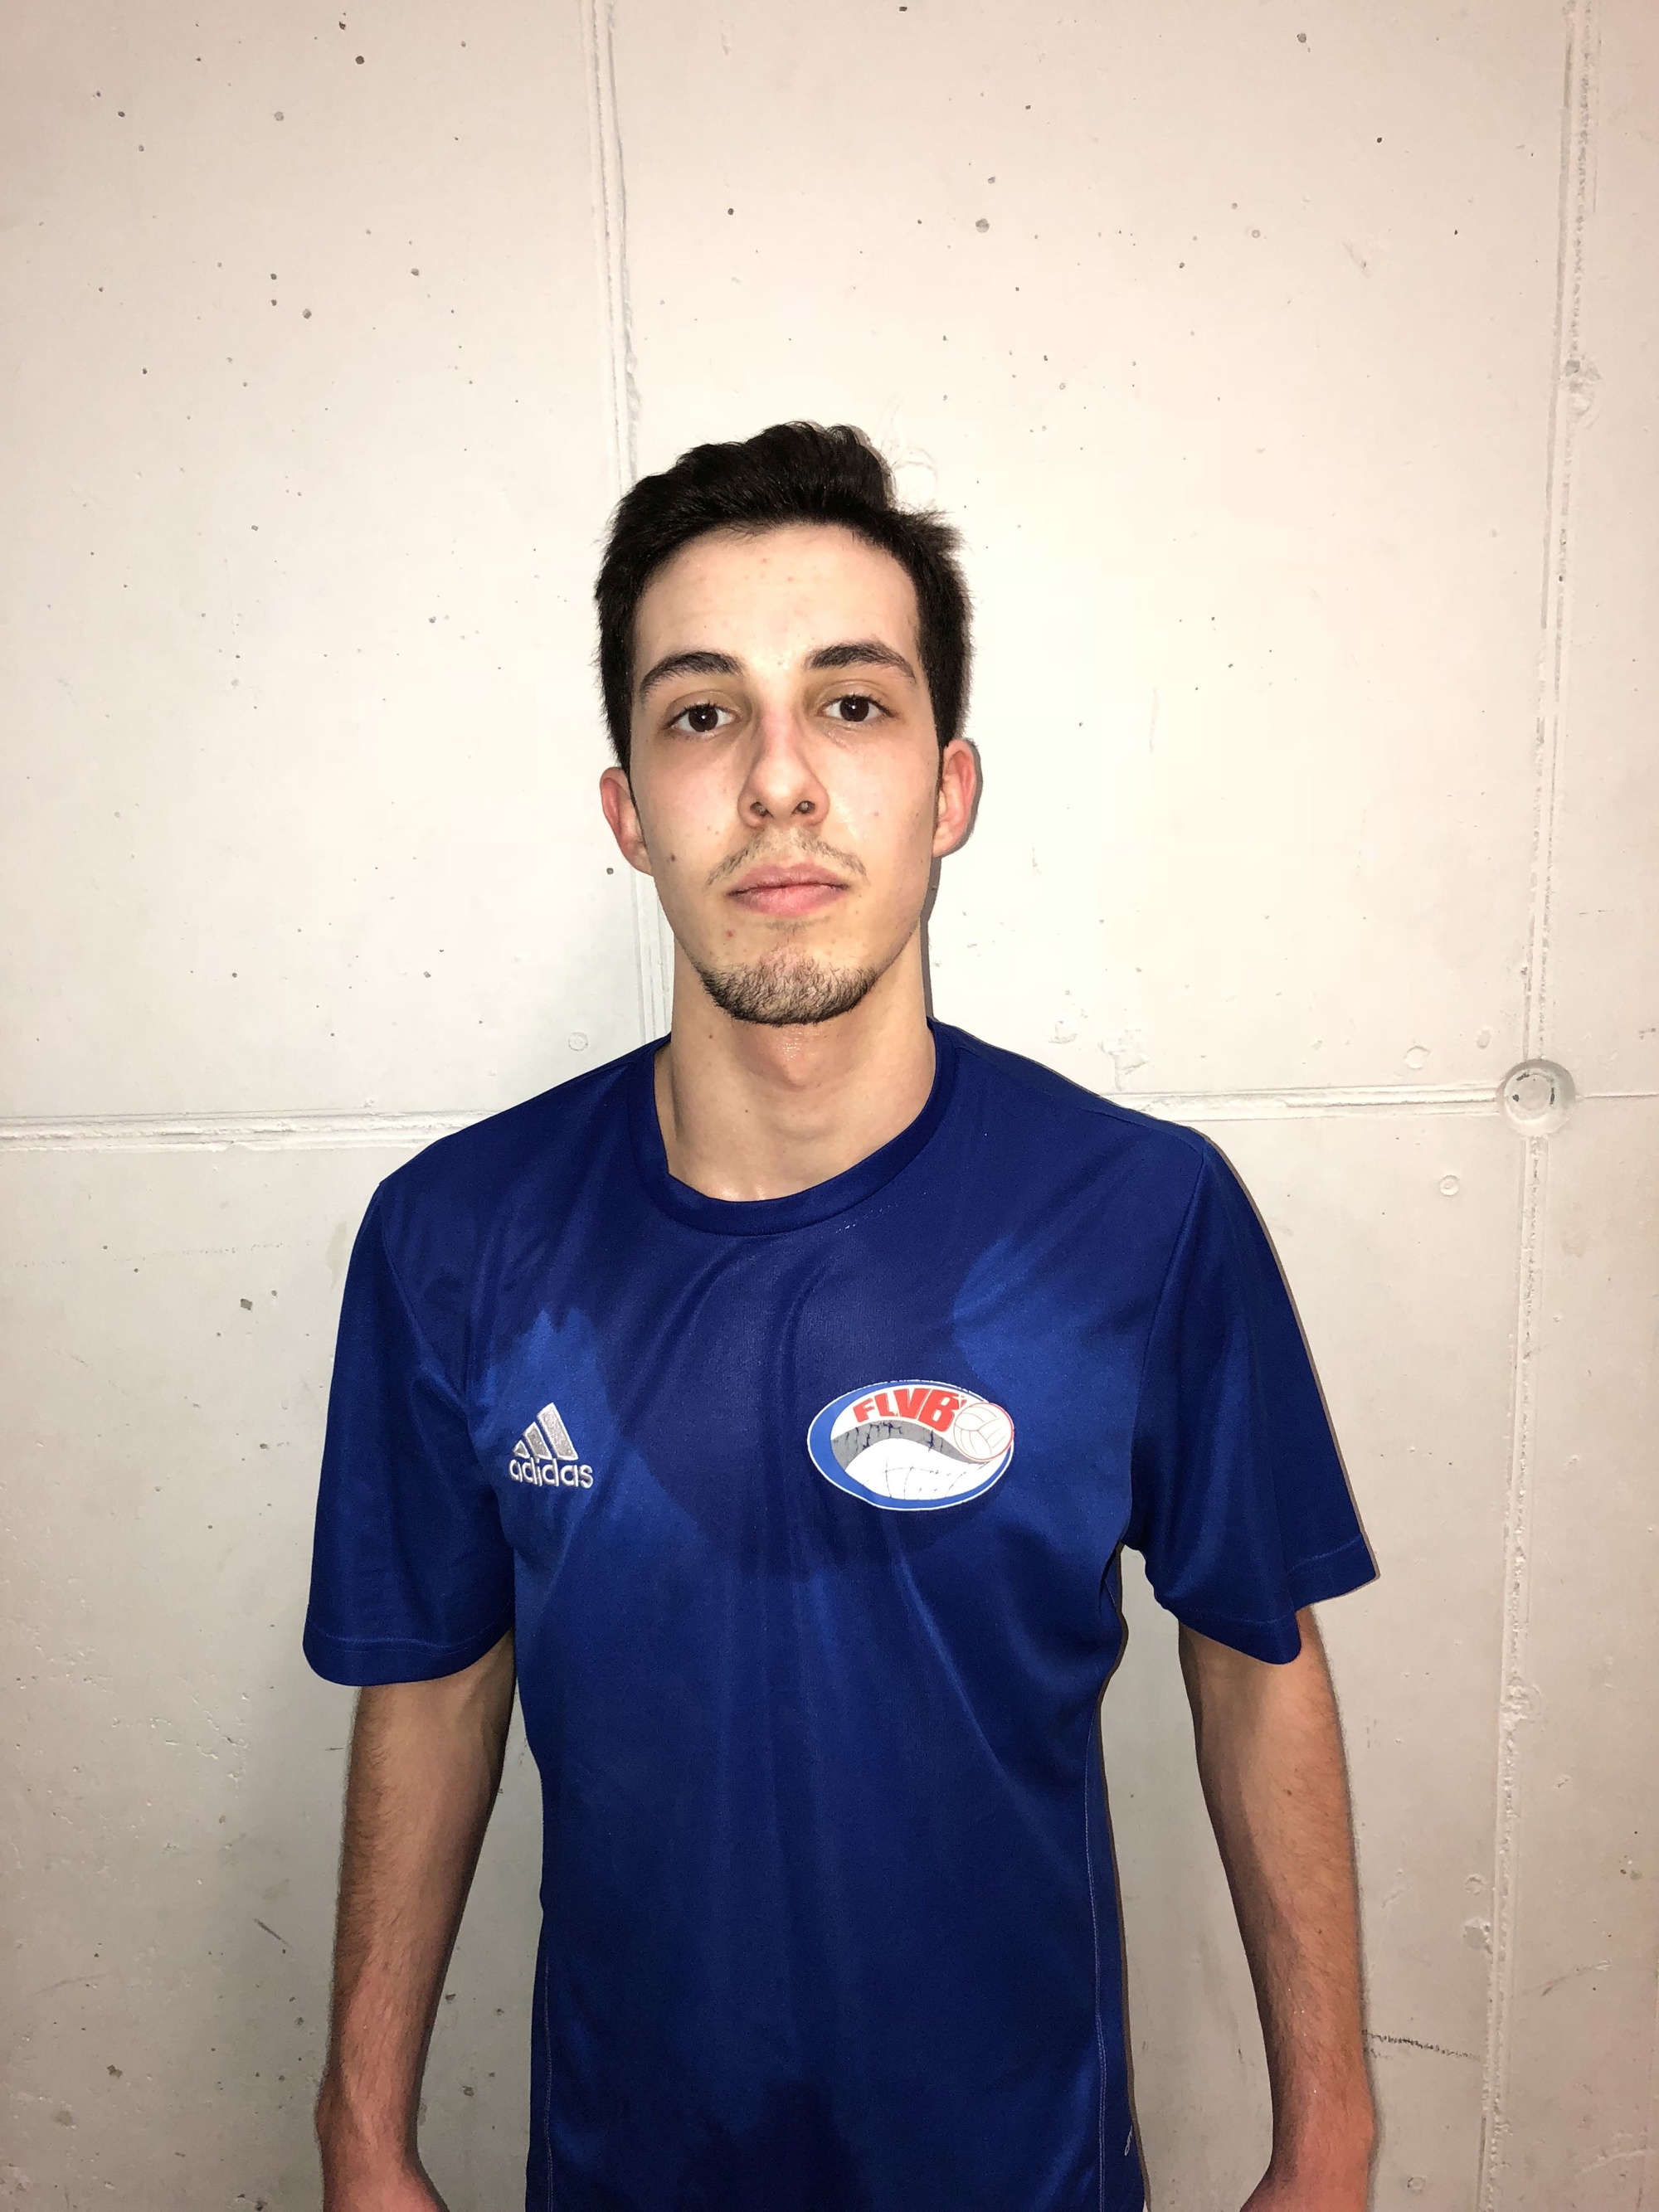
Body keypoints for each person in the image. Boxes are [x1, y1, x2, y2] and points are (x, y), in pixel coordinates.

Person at [304, 422, 1379, 2212]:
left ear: (949, 790)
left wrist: (1327, 2144)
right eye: (704, 712)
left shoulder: (1142, 1217)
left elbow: (1255, 1656)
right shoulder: (456, 1239)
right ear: (628, 809)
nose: (780, 781)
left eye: (852, 703)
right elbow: (429, 1684)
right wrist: (359, 2134)